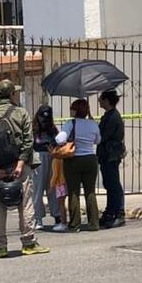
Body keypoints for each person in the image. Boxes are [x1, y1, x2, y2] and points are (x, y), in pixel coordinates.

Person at [0, 79, 49, 257]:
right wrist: (20, 163)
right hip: (20, 166)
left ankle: (0, 246)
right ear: (11, 94)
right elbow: (28, 141)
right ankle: (29, 243)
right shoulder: (21, 113)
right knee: (25, 203)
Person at [56, 98, 102, 232]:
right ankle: (94, 223)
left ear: (75, 111)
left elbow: (60, 139)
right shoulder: (93, 124)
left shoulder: (71, 123)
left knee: (74, 192)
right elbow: (98, 140)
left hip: (74, 159)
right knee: (90, 191)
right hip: (90, 159)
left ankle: (75, 224)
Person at [97, 89, 127, 229]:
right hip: (106, 154)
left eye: (101, 99)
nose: (99, 101)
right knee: (109, 184)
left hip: (111, 155)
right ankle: (110, 211)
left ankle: (118, 213)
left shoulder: (113, 117)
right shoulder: (108, 116)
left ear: (107, 101)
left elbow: (103, 136)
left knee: (113, 184)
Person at [31, 105, 63, 231]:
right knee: (37, 190)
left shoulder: (53, 129)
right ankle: (38, 218)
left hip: (52, 157)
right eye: (42, 117)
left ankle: (57, 216)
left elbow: (59, 141)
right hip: (38, 158)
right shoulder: (33, 130)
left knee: (53, 188)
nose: (44, 121)